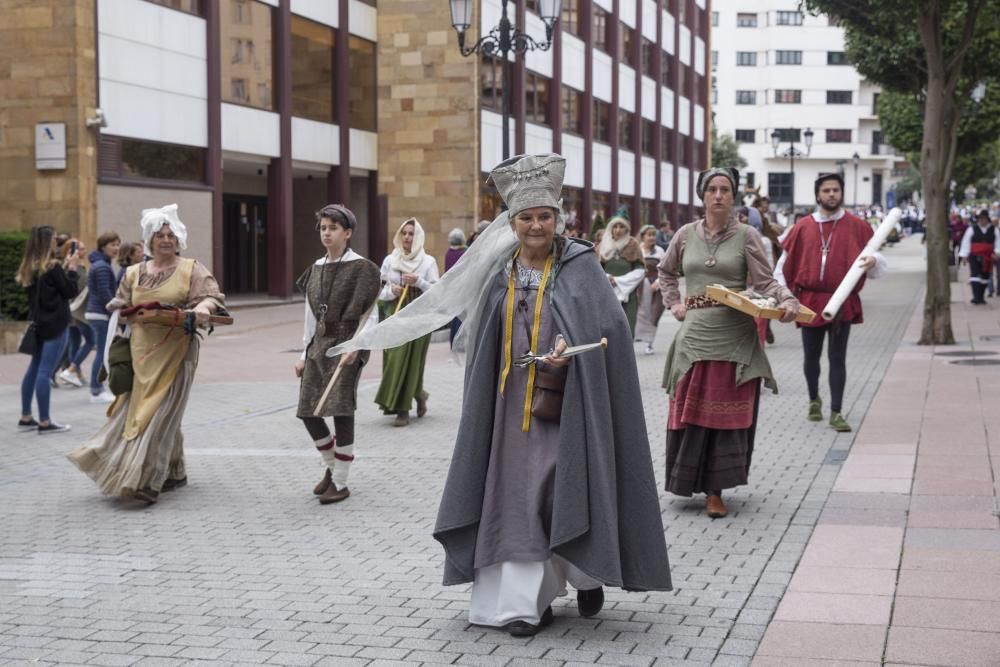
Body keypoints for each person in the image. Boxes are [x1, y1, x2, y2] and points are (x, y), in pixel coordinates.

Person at [659, 168, 799, 519]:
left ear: (733, 196)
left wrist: (788, 300)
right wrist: (673, 303)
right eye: (712, 189)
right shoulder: (684, 235)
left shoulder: (748, 235)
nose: (718, 195)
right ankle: (690, 479)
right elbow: (665, 271)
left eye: (725, 189)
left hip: (735, 336)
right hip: (693, 337)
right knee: (691, 412)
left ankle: (715, 491)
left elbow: (766, 281)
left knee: (722, 416)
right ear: (702, 195)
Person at [67, 204, 225, 504]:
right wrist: (122, 312)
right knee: (151, 413)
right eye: (159, 235)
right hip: (141, 353)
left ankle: (147, 480)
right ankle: (175, 472)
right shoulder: (133, 272)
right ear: (149, 240)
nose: (165, 240)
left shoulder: (191, 268)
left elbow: (210, 298)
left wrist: (201, 309)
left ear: (178, 238)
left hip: (177, 351)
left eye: (170, 235)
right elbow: (119, 303)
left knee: (161, 414)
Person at [774, 173, 886, 433]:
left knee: (838, 358)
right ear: (817, 195)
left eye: (836, 190)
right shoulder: (802, 226)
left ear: (841, 193)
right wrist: (783, 296)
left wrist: (874, 262)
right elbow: (783, 265)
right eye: (826, 190)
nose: (832, 194)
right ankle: (814, 399)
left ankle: (836, 411)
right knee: (811, 357)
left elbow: (877, 261)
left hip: (842, 300)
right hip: (810, 301)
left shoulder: (857, 225)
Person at [295, 205, 380, 505]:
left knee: (341, 408)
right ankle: (333, 467)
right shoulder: (315, 269)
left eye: (333, 227)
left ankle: (340, 482)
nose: (327, 232)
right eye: (323, 228)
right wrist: (305, 352)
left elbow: (371, 312)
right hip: (319, 343)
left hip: (349, 341)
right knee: (308, 410)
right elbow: (309, 315)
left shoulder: (363, 268)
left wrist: (356, 345)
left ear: (347, 233)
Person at [16, 225, 81, 434]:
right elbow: (70, 291)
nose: (57, 242)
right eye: (54, 238)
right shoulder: (52, 267)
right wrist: (72, 269)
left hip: (38, 324)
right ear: (47, 242)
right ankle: (45, 421)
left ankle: (26, 416)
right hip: (56, 323)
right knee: (44, 371)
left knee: (34, 368)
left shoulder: (29, 267)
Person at [374, 218, 439, 426]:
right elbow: (379, 291)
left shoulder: (427, 262)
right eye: (404, 233)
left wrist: (418, 282)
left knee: (411, 362)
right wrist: (391, 291)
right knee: (394, 358)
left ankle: (403, 409)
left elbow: (437, 292)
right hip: (395, 314)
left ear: (418, 237)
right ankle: (419, 394)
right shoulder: (390, 260)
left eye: (411, 234)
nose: (407, 238)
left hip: (418, 317)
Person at [82, 232, 121, 404]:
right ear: (103, 246)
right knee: (101, 353)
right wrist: (115, 311)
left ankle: (97, 389)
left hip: (97, 313)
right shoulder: (102, 267)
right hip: (100, 314)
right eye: (112, 244)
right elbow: (105, 294)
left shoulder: (99, 264)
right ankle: (96, 390)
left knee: (102, 351)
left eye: (118, 244)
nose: (116, 248)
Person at [598, 208, 644, 336]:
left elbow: (640, 270)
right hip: (606, 295)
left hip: (628, 296)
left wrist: (618, 281)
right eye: (615, 226)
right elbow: (595, 269)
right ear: (611, 228)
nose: (618, 230)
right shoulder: (603, 246)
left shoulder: (633, 244)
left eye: (621, 226)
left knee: (626, 332)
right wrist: (607, 278)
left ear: (627, 229)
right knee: (607, 333)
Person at [958, 209, 1000, 304]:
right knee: (975, 275)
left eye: (984, 219)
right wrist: (964, 255)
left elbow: (998, 242)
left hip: (988, 256)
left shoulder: (994, 230)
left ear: (987, 219)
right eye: (980, 219)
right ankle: (976, 297)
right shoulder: (972, 229)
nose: (982, 221)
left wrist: (997, 252)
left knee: (985, 276)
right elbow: (966, 242)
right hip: (974, 255)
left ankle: (981, 296)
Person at [444, 227, 467, 348]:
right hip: (462, 288)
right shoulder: (463, 253)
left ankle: (453, 341)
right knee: (462, 316)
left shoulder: (448, 253)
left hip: (452, 288)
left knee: (454, 316)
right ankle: (459, 342)